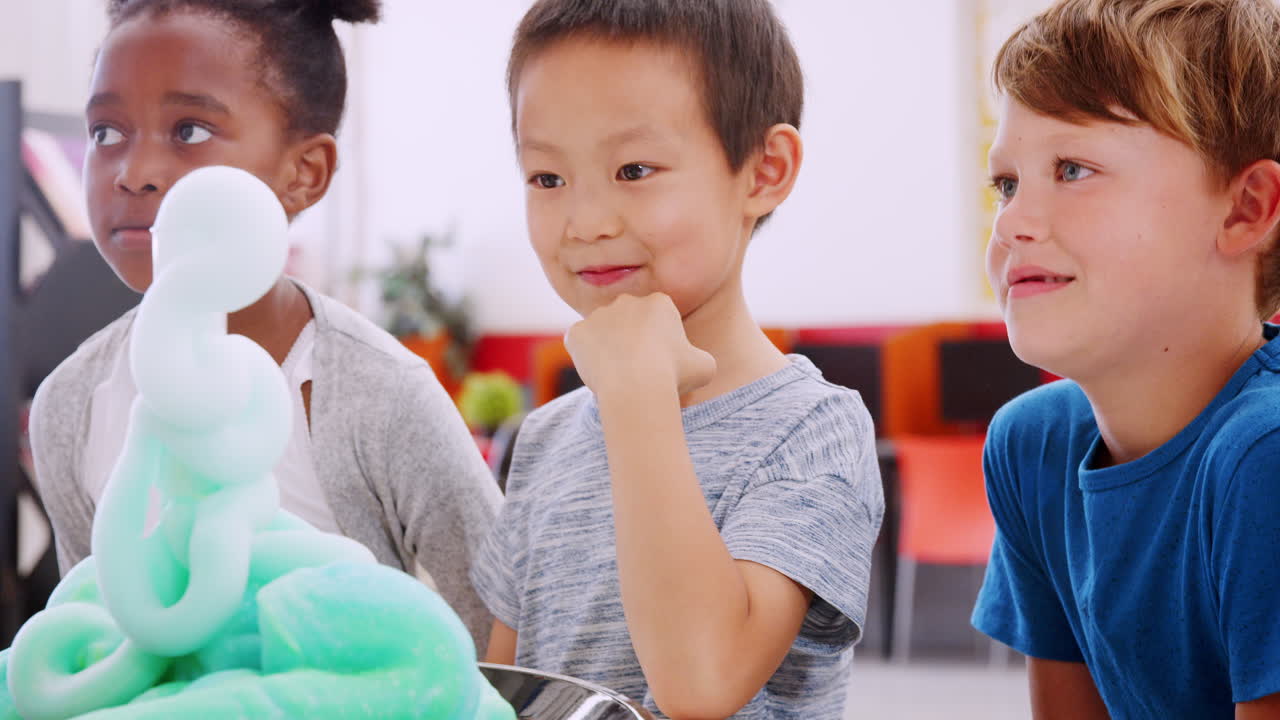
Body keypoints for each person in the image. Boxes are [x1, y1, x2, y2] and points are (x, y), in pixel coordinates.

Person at [28, 0, 500, 649]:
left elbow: (504, 631)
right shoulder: (70, 406)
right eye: (107, 132)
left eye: (189, 130)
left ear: (304, 173)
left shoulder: (381, 395)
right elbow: (98, 636)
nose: (133, 173)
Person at [470, 1, 884, 717]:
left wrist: (638, 400)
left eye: (634, 168)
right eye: (546, 178)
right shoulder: (544, 438)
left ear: (764, 171)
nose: (587, 222)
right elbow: (501, 695)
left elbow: (702, 685)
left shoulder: (812, 430)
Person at [971, 0, 1280, 716]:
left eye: (1073, 169)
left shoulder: (1263, 456)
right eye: (1008, 184)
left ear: (1246, 210)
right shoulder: (1032, 449)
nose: (1013, 221)